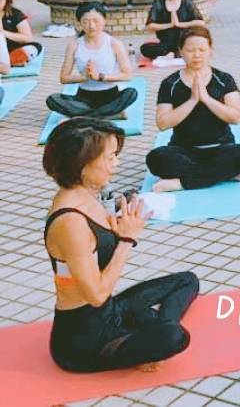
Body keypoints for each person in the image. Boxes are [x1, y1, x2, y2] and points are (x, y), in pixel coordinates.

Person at [42, 117, 199, 372]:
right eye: (110, 157)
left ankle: (151, 326)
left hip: (109, 309)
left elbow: (98, 251)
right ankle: (153, 330)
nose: (117, 163)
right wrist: (126, 240)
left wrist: (119, 225)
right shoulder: (69, 222)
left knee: (187, 281)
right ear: (82, 164)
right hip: (83, 338)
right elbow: (96, 296)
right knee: (175, 337)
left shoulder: (88, 196)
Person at [148, 26, 240, 191]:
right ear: (180, 51)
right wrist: (192, 100)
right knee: (156, 159)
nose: (196, 55)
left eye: (202, 50)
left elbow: (236, 117)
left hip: (221, 148)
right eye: (190, 50)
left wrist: (207, 99)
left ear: (210, 50)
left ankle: (181, 183)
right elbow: (162, 123)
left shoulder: (224, 79)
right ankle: (223, 174)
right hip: (183, 151)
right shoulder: (170, 83)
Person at [47, 2, 138, 119]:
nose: (91, 26)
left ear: (104, 21)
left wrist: (100, 77)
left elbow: (128, 75)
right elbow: (64, 78)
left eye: (96, 21)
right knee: (52, 100)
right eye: (86, 21)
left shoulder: (114, 44)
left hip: (110, 96)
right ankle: (105, 115)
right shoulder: (74, 45)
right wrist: (85, 77)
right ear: (79, 23)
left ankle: (85, 116)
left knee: (131, 93)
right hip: (84, 98)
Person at [142, 0, 206, 60]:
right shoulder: (159, 4)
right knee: (145, 48)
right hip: (165, 43)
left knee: (194, 46)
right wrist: (170, 25)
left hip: (185, 41)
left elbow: (200, 23)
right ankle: (174, 53)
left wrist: (179, 24)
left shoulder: (187, 3)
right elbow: (149, 26)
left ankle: (178, 52)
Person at [1, 0, 43, 66]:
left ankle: (10, 61)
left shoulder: (15, 14)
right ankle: (10, 63)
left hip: (12, 47)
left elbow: (27, 38)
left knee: (35, 47)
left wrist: (4, 33)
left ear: (7, 0)